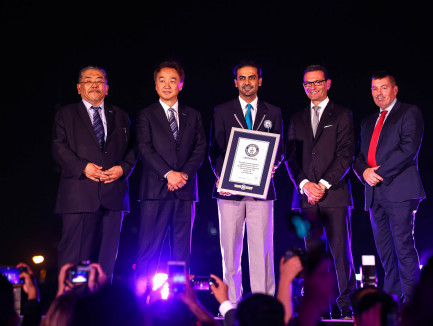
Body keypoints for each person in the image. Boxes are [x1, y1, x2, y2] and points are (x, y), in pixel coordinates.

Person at [208, 60, 284, 305]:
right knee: (229, 250)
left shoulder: (273, 112)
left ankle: (264, 305)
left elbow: (279, 148)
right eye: (242, 77)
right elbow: (214, 150)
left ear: (259, 81)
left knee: (262, 250)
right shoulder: (221, 110)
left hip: (261, 191)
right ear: (235, 82)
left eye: (252, 77)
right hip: (229, 191)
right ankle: (230, 304)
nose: (247, 82)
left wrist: (273, 165)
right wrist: (223, 176)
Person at [52, 66, 136, 283]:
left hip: (113, 194)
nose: (94, 84)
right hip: (79, 194)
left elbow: (132, 150)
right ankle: (70, 309)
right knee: (74, 260)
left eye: (99, 80)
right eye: (88, 80)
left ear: (107, 88)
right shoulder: (66, 114)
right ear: (79, 88)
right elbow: (58, 148)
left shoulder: (121, 115)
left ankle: (101, 308)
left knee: (106, 262)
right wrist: (83, 167)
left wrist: (123, 169)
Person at [285, 64, 356, 318]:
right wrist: (305, 185)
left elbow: (346, 154)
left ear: (328, 83)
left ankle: (346, 305)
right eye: (307, 84)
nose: (312, 87)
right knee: (312, 254)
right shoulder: (296, 118)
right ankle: (318, 307)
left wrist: (323, 184)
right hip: (306, 198)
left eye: (317, 82)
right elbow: (290, 158)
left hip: (334, 194)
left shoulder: (342, 114)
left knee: (340, 251)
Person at [353, 71, 426, 304]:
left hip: (400, 191)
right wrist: (364, 172)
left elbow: (408, 149)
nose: (379, 93)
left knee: (403, 246)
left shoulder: (409, 112)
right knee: (385, 250)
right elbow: (359, 157)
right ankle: (392, 298)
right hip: (375, 194)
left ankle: (413, 301)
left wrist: (377, 173)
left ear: (395, 90)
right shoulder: (367, 122)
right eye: (375, 88)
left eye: (384, 87)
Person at [135, 61, 207, 294]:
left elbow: (200, 148)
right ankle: (140, 301)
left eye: (172, 80)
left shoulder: (193, 115)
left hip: (185, 191)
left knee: (182, 251)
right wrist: (168, 174)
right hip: (155, 192)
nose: (167, 85)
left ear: (181, 84)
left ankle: (180, 301)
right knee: (148, 248)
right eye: (162, 80)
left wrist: (182, 175)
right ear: (155, 85)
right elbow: (144, 149)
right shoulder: (145, 114)